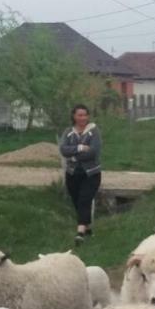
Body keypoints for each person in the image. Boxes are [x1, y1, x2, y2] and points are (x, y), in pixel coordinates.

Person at [59, 104, 102, 244]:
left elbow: (93, 152)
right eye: (80, 115)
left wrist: (73, 157)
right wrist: (80, 147)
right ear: (74, 116)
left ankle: (80, 233)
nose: (83, 118)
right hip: (72, 173)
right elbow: (63, 149)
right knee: (77, 201)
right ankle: (88, 228)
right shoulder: (68, 132)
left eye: (85, 115)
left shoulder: (94, 131)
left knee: (85, 199)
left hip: (91, 173)